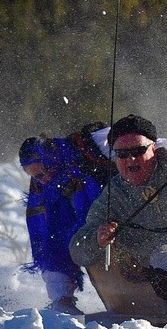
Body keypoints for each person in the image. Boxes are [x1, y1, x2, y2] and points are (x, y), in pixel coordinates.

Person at [69, 114, 167, 315]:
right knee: (166, 255)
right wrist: (97, 238)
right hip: (160, 269)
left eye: (138, 150)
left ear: (154, 148)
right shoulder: (112, 197)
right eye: (122, 154)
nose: (130, 159)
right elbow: (77, 249)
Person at [20, 134, 105, 315]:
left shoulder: (84, 160)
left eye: (42, 172)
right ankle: (62, 300)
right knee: (56, 243)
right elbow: (44, 232)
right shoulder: (44, 187)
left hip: (102, 224)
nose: (41, 180)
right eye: (34, 176)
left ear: (50, 159)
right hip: (76, 233)